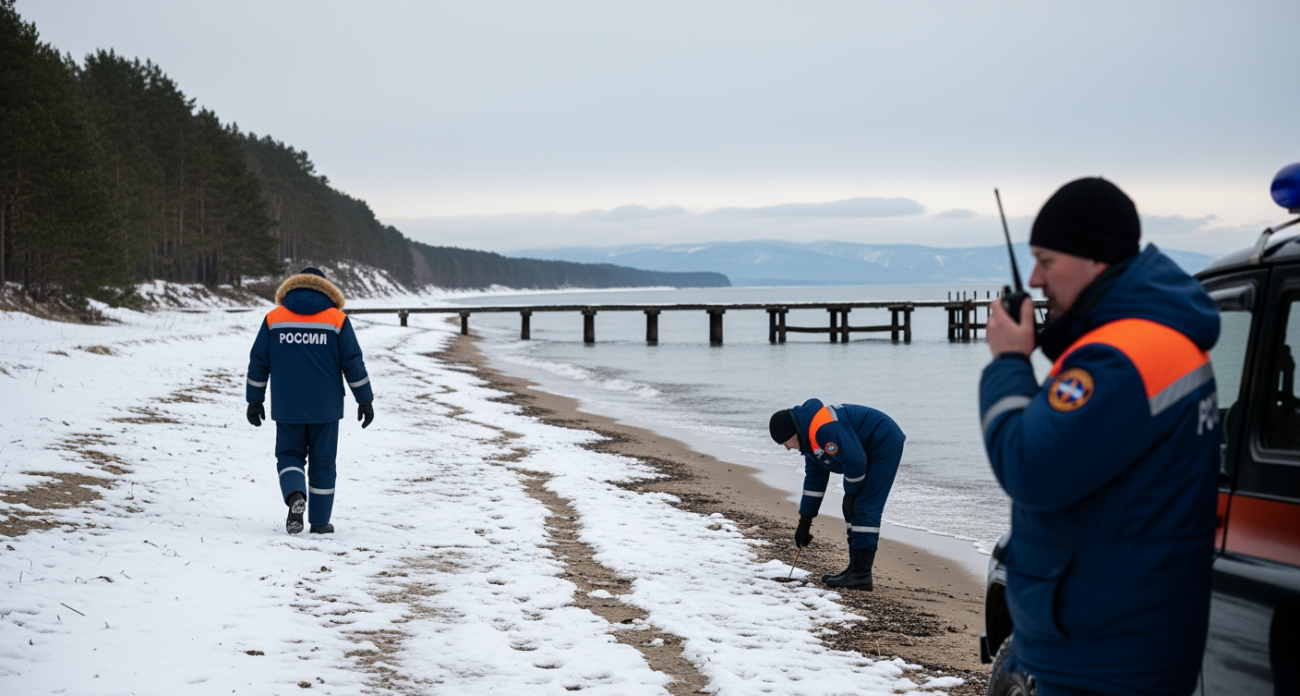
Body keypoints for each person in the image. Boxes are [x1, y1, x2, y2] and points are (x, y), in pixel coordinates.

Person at [980, 178, 1219, 696]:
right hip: (1126, 640)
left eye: (1047, 260)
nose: (1037, 280)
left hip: (1102, 657)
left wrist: (1008, 363)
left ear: (1096, 260)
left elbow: (1030, 468)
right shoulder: (1156, 340)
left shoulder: (1119, 357)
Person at [245, 267, 375, 535]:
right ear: (326, 289)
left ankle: (295, 496)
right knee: (323, 464)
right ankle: (319, 522)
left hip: (287, 405)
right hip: (325, 408)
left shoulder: (274, 318)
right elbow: (353, 363)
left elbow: (259, 361)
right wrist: (365, 400)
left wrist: (254, 400)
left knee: (289, 455)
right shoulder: (337, 320)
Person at [769, 399, 905, 590]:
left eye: (785, 442)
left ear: (792, 433)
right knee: (852, 507)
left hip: (883, 441)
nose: (787, 447)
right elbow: (814, 482)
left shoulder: (824, 429)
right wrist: (805, 521)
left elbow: (856, 463)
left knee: (863, 506)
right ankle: (854, 570)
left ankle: (861, 576)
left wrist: (850, 494)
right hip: (865, 450)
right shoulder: (810, 441)